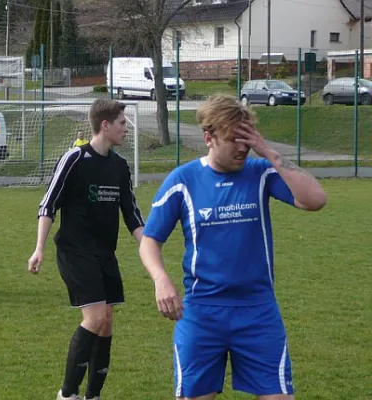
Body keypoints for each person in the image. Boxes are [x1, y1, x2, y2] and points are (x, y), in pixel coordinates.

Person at [139, 95, 327, 400]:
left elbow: (315, 200)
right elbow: (150, 241)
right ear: (209, 138)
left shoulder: (260, 173)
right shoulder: (183, 180)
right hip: (202, 312)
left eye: (247, 140)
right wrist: (161, 279)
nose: (243, 147)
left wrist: (267, 151)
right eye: (233, 140)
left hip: (258, 311)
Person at [28, 99, 145, 400]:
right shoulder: (75, 159)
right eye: (122, 122)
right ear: (105, 125)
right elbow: (48, 204)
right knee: (94, 319)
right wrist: (39, 248)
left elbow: (131, 213)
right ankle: (68, 394)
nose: (126, 129)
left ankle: (93, 395)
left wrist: (149, 250)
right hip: (75, 251)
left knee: (106, 323)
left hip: (105, 254)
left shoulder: (119, 166)